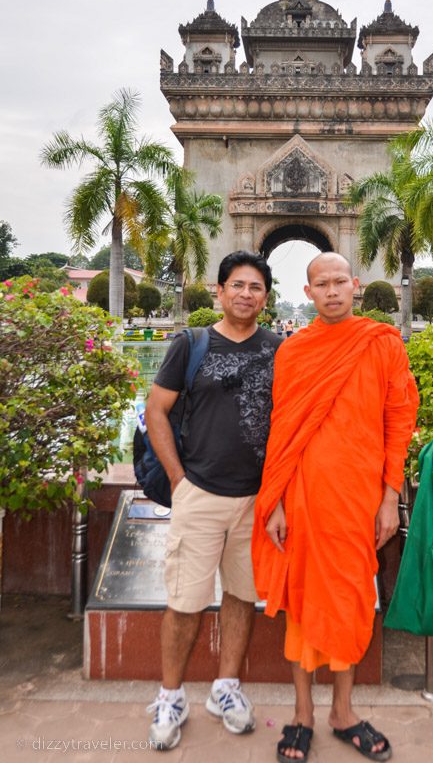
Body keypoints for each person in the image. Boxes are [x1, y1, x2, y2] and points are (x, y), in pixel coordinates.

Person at [252, 253, 418, 763]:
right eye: (320, 284)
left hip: (358, 500)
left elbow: (399, 418)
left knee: (349, 599)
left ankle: (343, 712)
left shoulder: (381, 343)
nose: (331, 291)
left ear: (356, 285)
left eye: (339, 282)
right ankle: (301, 713)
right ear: (308, 293)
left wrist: (390, 497)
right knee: (302, 603)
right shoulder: (294, 351)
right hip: (301, 498)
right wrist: (275, 500)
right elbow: (281, 429)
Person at [145, 250, 281, 751]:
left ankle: (226, 688)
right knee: (184, 602)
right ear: (219, 291)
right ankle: (170, 695)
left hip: (256, 499)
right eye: (238, 286)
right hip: (199, 493)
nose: (247, 294)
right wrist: (179, 481)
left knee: (242, 597)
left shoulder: (279, 348)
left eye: (257, 288)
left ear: (267, 297)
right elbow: (156, 410)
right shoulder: (191, 343)